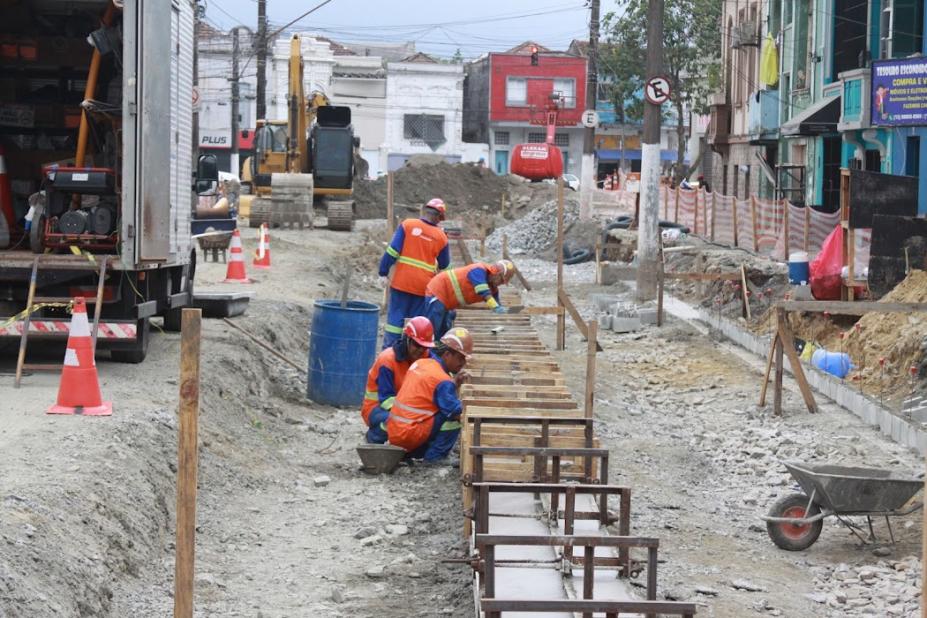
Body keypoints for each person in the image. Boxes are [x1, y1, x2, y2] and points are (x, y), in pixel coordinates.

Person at [386, 327, 474, 462]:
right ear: (446, 354)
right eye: (460, 358)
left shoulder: (422, 363)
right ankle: (434, 459)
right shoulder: (442, 380)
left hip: (395, 434)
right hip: (409, 435)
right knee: (454, 419)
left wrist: (454, 384)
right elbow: (456, 412)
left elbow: (430, 395)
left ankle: (411, 454)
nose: (463, 364)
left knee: (444, 412)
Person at [379, 198, 450, 349]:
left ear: (425, 211)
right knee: (415, 321)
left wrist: (383, 272)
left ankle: (389, 351)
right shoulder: (441, 237)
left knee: (394, 321)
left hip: (401, 284)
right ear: (439, 217)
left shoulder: (408, 225)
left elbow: (392, 251)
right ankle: (410, 353)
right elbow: (444, 264)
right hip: (422, 288)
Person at [361, 317, 435, 444]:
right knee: (397, 421)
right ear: (407, 340)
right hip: (376, 408)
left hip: (406, 408)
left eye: (424, 347)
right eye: (417, 345)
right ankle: (374, 439)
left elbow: (440, 369)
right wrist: (411, 414)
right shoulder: (387, 361)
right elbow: (386, 400)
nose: (421, 350)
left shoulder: (425, 355)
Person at [424, 260, 516, 340]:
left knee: (445, 331)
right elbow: (482, 291)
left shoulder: (493, 289)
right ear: (496, 273)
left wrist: (502, 309)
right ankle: (428, 352)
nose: (501, 284)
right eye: (501, 280)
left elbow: (496, 303)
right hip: (438, 290)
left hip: (448, 302)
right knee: (433, 328)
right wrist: (495, 306)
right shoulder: (479, 270)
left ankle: (439, 350)